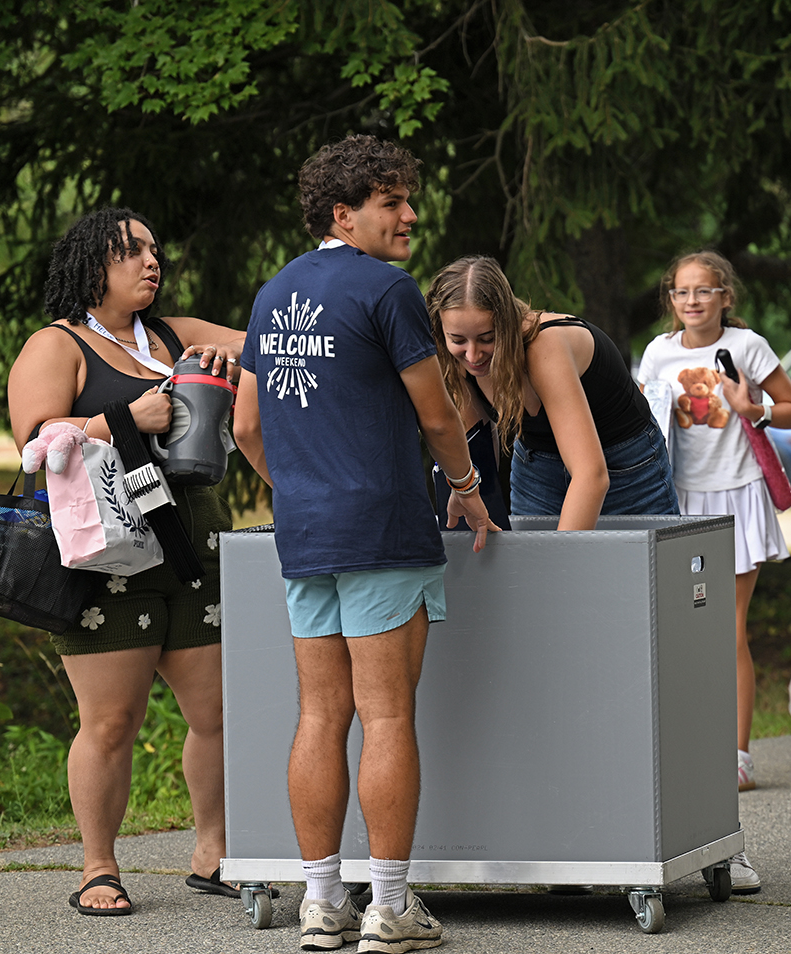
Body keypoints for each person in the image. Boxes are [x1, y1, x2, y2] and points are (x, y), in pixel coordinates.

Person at [233, 135, 497, 952]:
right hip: (383, 526)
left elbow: (246, 424)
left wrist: (303, 489)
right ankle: (387, 907)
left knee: (319, 716)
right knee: (386, 717)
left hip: (307, 533)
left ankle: (320, 903)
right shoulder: (388, 288)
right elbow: (434, 412)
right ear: (344, 215)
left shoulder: (272, 293)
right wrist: (466, 488)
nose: (410, 214)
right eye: (392, 202)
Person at [6, 207, 247, 915]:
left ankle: (215, 852)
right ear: (92, 267)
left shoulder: (177, 336)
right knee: (112, 721)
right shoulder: (58, 345)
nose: (152, 262)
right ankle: (99, 866)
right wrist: (122, 420)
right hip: (103, 551)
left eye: (154, 250)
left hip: (191, 541)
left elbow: (280, 348)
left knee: (220, 713)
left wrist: (241, 360)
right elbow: (32, 441)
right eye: (132, 251)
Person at [637, 250, 791, 893]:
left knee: (728, 629)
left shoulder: (748, 345)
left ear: (725, 296)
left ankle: (735, 756)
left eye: (704, 291)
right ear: (671, 299)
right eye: (681, 292)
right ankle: (684, 748)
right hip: (677, 498)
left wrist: (752, 405)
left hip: (735, 493)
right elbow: (643, 420)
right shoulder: (657, 355)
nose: (692, 302)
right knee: (681, 631)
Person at [426, 255, 678, 530]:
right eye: (458, 340)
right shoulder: (453, 359)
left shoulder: (544, 346)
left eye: (487, 338)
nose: (473, 355)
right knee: (532, 569)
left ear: (508, 322)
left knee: (631, 571)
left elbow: (591, 475)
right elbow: (477, 448)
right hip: (537, 467)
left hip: (626, 467)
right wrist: (465, 490)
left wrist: (561, 568)